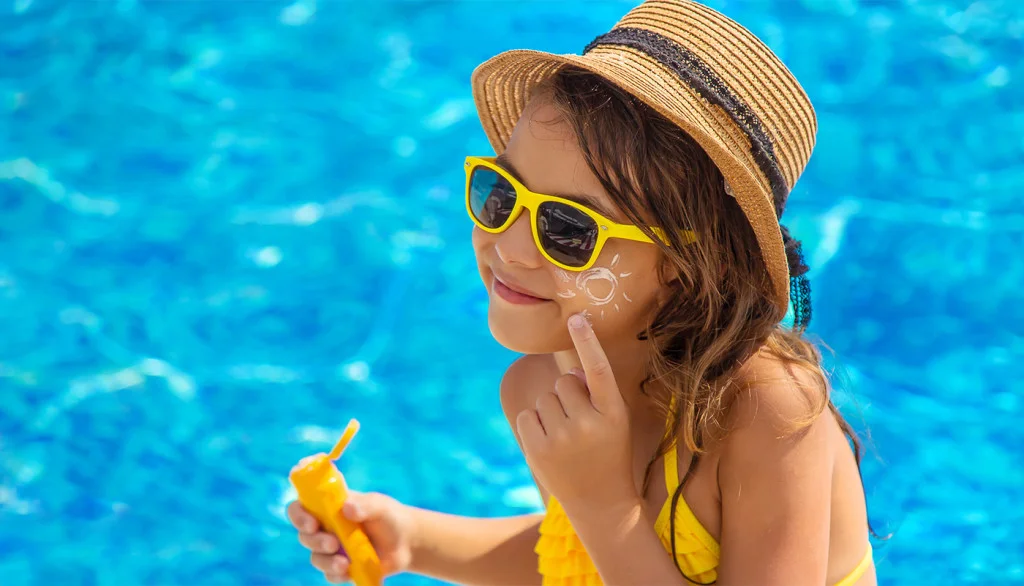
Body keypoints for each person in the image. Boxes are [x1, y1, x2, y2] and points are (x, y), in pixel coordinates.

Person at [288, 1, 877, 584]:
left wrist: (604, 506)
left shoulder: (766, 414)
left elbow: (611, 536)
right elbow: (579, 561)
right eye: (501, 193)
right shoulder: (540, 391)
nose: (511, 248)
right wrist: (415, 541)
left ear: (682, 266)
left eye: (568, 230)